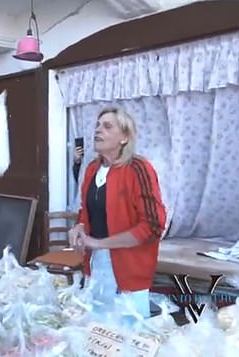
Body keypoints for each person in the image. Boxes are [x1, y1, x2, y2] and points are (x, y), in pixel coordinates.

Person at [68, 107, 166, 319]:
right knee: (96, 332)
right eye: (97, 125)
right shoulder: (92, 168)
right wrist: (79, 227)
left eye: (107, 126)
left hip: (128, 271)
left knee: (126, 339)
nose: (97, 130)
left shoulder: (138, 168)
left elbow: (152, 226)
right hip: (95, 267)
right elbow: (86, 211)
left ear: (124, 137)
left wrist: (98, 243)